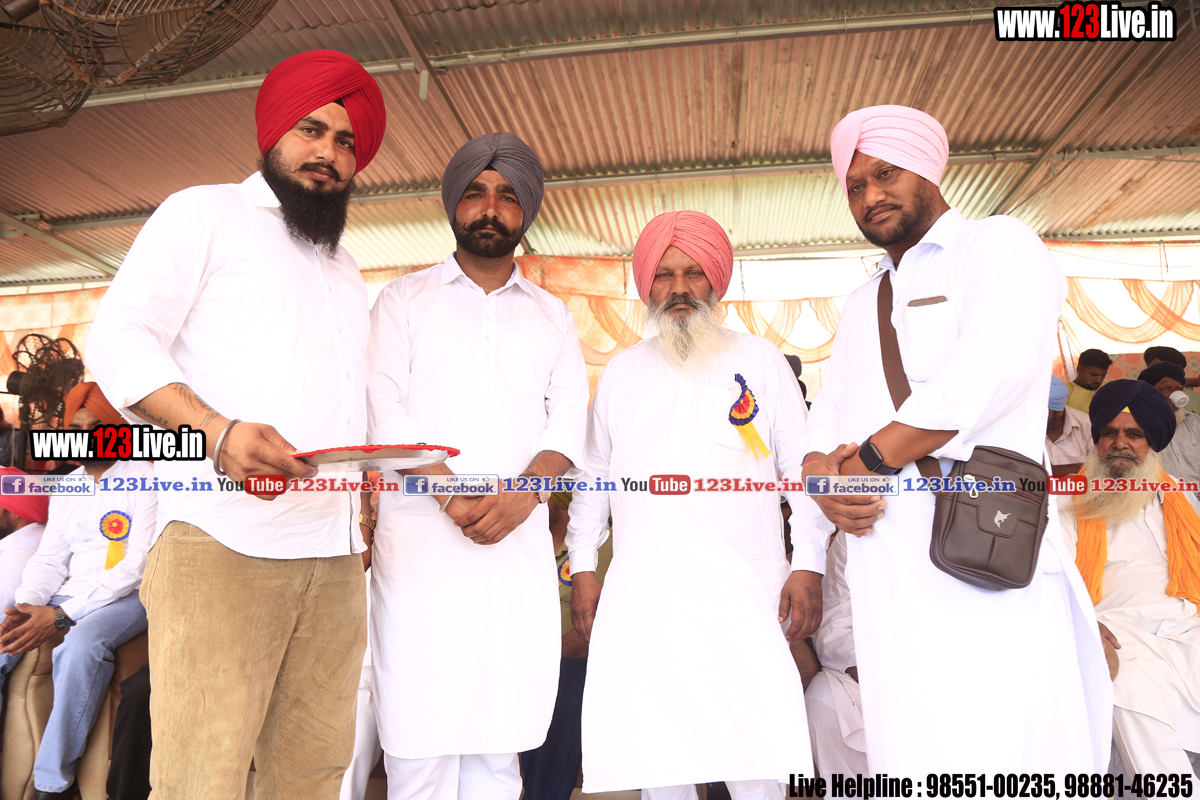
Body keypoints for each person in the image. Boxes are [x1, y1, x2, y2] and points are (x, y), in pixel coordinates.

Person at [85, 50, 387, 799]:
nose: (328, 152)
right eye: (311, 130)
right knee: (202, 780)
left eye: (346, 141)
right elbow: (119, 339)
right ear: (273, 132)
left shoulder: (345, 268)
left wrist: (365, 499)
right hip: (221, 542)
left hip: (333, 558)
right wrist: (217, 432)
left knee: (313, 776)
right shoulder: (205, 213)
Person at [802, 104, 1112, 774]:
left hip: (982, 550)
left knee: (1004, 745)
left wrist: (873, 458)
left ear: (927, 170)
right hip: (886, 571)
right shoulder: (862, 303)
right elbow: (830, 409)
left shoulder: (998, 246)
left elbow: (992, 370)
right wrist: (820, 474)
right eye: (855, 186)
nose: (870, 195)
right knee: (916, 751)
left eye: (885, 174)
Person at [566, 210, 824, 799]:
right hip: (647, 596)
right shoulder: (622, 372)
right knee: (661, 762)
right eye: (664, 275)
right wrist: (582, 569)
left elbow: (799, 469)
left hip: (746, 592)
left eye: (693, 273)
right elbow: (594, 478)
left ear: (715, 280)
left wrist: (808, 563)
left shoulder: (760, 361)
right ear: (646, 285)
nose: (679, 288)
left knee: (757, 756)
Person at [366, 131, 589, 800]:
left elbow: (568, 422)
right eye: (476, 193)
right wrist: (449, 495)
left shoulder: (554, 315)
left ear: (526, 211)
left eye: (507, 196)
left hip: (513, 548)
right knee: (419, 745)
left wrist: (523, 496)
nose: (490, 209)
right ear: (453, 205)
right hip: (419, 551)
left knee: (498, 747)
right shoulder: (402, 300)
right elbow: (384, 407)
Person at [0, 385, 155, 800]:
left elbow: (136, 565)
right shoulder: (68, 485)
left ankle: (53, 784)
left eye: (96, 428)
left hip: (130, 596)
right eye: (76, 429)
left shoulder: (148, 477)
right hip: (70, 591)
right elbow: (50, 558)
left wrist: (62, 615)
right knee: (3, 639)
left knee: (81, 645)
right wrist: (27, 604)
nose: (86, 438)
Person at [1058, 379, 1199, 776]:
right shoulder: (1068, 500)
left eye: (1134, 434)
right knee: (1127, 689)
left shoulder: (1179, 495)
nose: (1120, 443)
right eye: (1110, 433)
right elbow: (1059, 581)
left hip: (1189, 625)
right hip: (1118, 633)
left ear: (1152, 441)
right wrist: (1086, 627)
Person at [519, 491, 613, 800]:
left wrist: (541, 656)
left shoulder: (602, 546)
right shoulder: (522, 545)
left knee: (565, 683)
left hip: (574, 663)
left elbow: (595, 631)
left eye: (540, 501)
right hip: (518, 660)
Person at [805, 531, 866, 779]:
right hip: (881, 676)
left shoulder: (980, 527)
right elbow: (834, 628)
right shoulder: (858, 532)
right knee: (825, 700)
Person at [1138, 362, 1200, 497]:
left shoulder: (1195, 422)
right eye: (1165, 388)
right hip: (1160, 502)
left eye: (1179, 388)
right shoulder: (1138, 426)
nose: (1174, 394)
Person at [1047, 375, 1092, 473]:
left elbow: (1099, 467)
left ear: (1059, 411)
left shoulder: (1087, 426)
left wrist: (1050, 471)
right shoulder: (1024, 427)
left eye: (1045, 412)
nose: (1038, 416)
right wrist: (1077, 467)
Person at [1067, 349, 1112, 413]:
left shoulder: (1106, 388)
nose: (1099, 380)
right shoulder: (1065, 391)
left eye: (1103, 375)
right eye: (1094, 375)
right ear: (1079, 370)